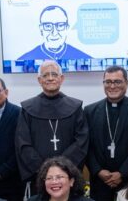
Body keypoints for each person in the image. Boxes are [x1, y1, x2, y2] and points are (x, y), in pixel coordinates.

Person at [16, 60, 88, 192]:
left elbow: (81, 142)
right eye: (45, 75)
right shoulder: (27, 109)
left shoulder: (75, 107)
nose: (50, 78)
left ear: (61, 79)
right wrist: (44, 170)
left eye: (54, 74)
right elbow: (23, 143)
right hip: (39, 177)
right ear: (39, 80)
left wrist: (62, 168)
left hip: (68, 175)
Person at [84, 65, 128, 201]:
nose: (112, 86)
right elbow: (85, 146)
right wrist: (98, 171)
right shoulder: (90, 111)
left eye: (117, 81)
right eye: (108, 82)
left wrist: (122, 173)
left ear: (127, 83)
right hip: (99, 179)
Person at [17, 5, 91, 62]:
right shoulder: (25, 58)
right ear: (41, 29)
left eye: (60, 25)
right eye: (48, 26)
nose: (54, 33)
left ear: (67, 28)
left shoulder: (84, 57)